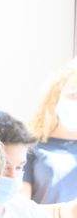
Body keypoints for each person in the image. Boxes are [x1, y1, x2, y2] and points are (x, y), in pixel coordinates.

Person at [25, 64, 77, 207]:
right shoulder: (31, 147)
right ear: (55, 98)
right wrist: (63, 214)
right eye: (73, 95)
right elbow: (20, 210)